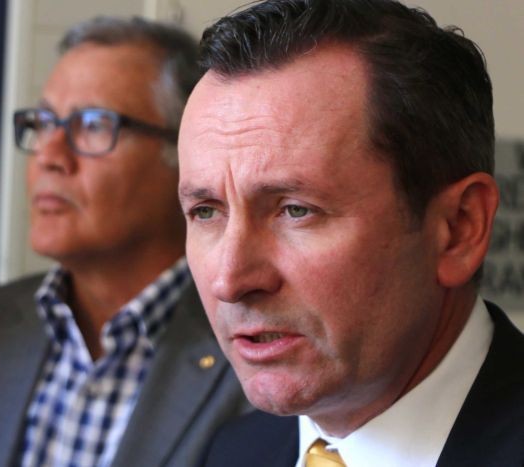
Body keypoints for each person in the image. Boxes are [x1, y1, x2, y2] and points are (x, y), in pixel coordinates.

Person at [0, 16, 248, 467]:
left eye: (92, 125)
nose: (50, 156)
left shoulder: (254, 358)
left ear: (185, 156)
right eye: (44, 122)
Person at [177, 0, 524, 466]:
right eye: (205, 212)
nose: (230, 280)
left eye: (295, 210)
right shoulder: (234, 452)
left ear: (459, 229)